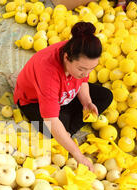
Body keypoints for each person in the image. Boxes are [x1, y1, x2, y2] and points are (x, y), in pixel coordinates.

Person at [13, 22, 113, 172]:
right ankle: (66, 131)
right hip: (33, 101)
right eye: (82, 69)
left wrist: (87, 102)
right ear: (66, 58)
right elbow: (52, 121)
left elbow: (83, 81)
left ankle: (66, 131)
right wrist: (78, 155)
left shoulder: (79, 51)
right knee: (57, 127)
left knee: (105, 96)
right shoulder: (48, 71)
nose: (86, 74)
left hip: (63, 93)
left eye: (91, 69)